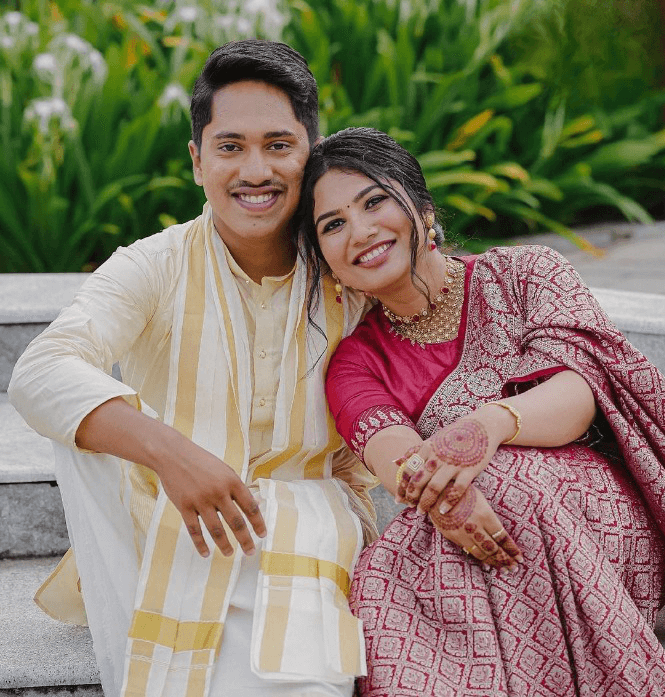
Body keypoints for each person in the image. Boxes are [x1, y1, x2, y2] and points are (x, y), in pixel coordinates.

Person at [8, 42, 378, 697]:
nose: (255, 170)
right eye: (230, 146)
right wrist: (173, 454)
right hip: (170, 529)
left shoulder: (350, 270)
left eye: (278, 145)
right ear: (197, 160)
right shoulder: (155, 263)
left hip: (310, 530)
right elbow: (41, 371)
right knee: (81, 413)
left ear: (312, 151)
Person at [297, 127, 665, 696]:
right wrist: (448, 493)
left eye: (374, 202)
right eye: (334, 225)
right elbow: (401, 462)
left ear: (422, 210)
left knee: (507, 481)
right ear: (327, 262)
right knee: (382, 575)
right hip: (473, 529)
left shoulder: (526, 275)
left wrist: (487, 425)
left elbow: (578, 395)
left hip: (600, 518)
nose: (361, 231)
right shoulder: (355, 363)